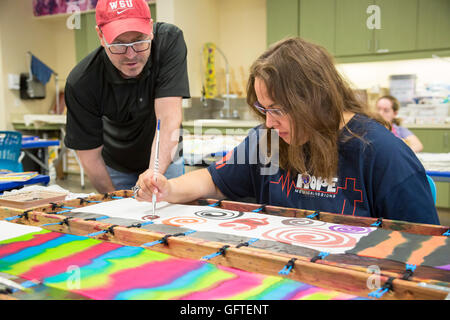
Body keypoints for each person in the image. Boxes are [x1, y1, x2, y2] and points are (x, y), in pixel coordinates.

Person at [135, 37, 439, 225]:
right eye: (264, 110)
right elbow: (214, 180)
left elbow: (426, 245)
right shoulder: (267, 141)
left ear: (315, 100)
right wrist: (168, 187)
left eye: (278, 110)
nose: (269, 123)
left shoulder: (382, 153)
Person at [64, 0, 190, 193]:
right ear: (101, 35)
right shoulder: (82, 81)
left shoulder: (168, 41)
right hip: (116, 164)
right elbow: (89, 156)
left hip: (166, 154)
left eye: (139, 41)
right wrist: (114, 200)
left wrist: (153, 176)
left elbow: (168, 118)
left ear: (150, 28)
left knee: (168, 217)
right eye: (119, 44)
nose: (131, 55)